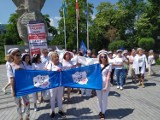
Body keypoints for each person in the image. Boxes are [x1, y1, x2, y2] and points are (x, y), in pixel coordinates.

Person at [7, 48, 30, 120]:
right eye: (17, 55)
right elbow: (11, 78)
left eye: (20, 55)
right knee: (18, 104)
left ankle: (27, 116)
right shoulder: (10, 65)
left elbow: (27, 74)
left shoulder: (23, 63)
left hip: (24, 86)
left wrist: (21, 70)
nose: (19, 56)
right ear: (12, 56)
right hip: (15, 87)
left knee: (27, 102)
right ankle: (20, 117)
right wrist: (13, 91)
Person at [47, 52, 66, 118]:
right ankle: (52, 111)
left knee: (59, 98)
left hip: (60, 84)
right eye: (55, 57)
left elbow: (63, 73)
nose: (56, 58)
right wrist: (55, 72)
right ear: (52, 59)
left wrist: (61, 71)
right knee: (52, 98)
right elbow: (48, 74)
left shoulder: (60, 64)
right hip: (52, 84)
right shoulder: (50, 65)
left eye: (57, 56)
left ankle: (60, 110)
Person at [96, 50, 111, 119]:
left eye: (104, 57)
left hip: (105, 83)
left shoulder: (109, 66)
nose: (103, 58)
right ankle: (100, 110)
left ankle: (103, 112)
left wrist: (106, 86)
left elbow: (108, 77)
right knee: (99, 98)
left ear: (106, 57)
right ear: (99, 58)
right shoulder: (97, 65)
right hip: (98, 83)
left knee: (104, 99)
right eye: (101, 57)